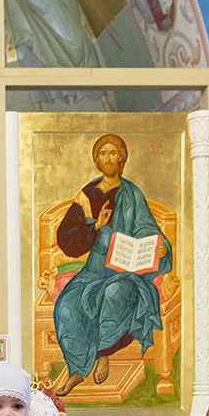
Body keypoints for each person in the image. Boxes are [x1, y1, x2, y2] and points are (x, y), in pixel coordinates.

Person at [53, 133, 173, 395]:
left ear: (122, 158)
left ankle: (103, 353)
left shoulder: (132, 194)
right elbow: (66, 238)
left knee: (115, 292)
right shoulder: (87, 195)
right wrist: (95, 226)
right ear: (97, 160)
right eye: (103, 153)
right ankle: (76, 369)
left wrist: (161, 246)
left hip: (127, 270)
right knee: (67, 305)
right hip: (95, 269)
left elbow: (148, 229)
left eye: (113, 152)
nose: (108, 158)